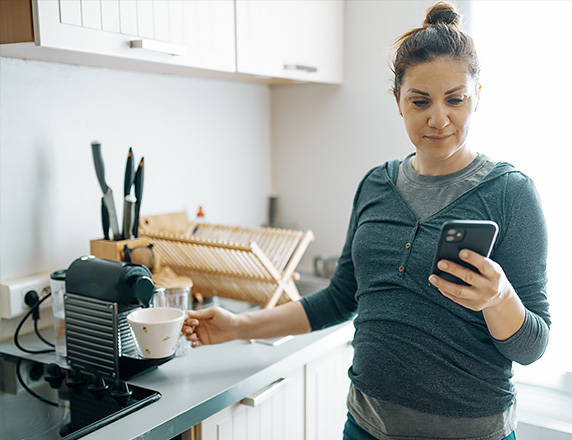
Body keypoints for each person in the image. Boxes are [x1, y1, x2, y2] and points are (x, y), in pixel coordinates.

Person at [183, 2, 550, 439]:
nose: (438, 118)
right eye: (420, 101)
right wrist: (239, 327)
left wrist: (499, 298)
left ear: (478, 97)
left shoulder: (511, 193)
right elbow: (340, 298)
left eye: (455, 99)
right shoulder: (375, 185)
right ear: (397, 101)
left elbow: (532, 346)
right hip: (365, 428)